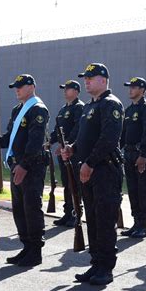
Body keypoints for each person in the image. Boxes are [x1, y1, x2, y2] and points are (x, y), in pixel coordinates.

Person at [62, 63, 124, 285]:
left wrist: (89, 163)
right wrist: (72, 148)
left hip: (105, 170)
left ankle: (105, 269)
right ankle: (95, 264)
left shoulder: (111, 104)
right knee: (93, 219)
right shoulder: (89, 106)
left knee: (105, 221)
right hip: (88, 170)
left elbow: (108, 139)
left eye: (91, 77)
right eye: (85, 77)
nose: (86, 80)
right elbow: (84, 138)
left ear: (104, 80)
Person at [0, 74, 49, 267]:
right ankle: (26, 247)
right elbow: (10, 138)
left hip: (31, 167)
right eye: (16, 86)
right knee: (20, 210)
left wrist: (24, 165)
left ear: (31, 87)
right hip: (17, 166)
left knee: (31, 208)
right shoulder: (18, 110)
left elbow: (35, 141)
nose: (17, 89)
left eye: (21, 86)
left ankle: (35, 250)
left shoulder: (37, 109)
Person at [120, 77, 146, 238]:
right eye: (130, 87)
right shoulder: (128, 110)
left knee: (144, 189)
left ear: (142, 90)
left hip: (142, 154)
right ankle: (136, 222)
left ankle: (144, 224)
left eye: (134, 87)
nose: (130, 90)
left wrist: (143, 155)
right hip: (128, 153)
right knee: (133, 189)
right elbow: (123, 134)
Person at [49, 80, 85, 227]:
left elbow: (78, 129)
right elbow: (57, 129)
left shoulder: (79, 107)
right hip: (64, 152)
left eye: (68, 89)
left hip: (74, 152)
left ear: (76, 91)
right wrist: (49, 142)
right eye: (65, 89)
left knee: (74, 184)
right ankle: (67, 212)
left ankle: (76, 214)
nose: (65, 91)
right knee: (66, 183)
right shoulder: (64, 109)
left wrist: (67, 145)